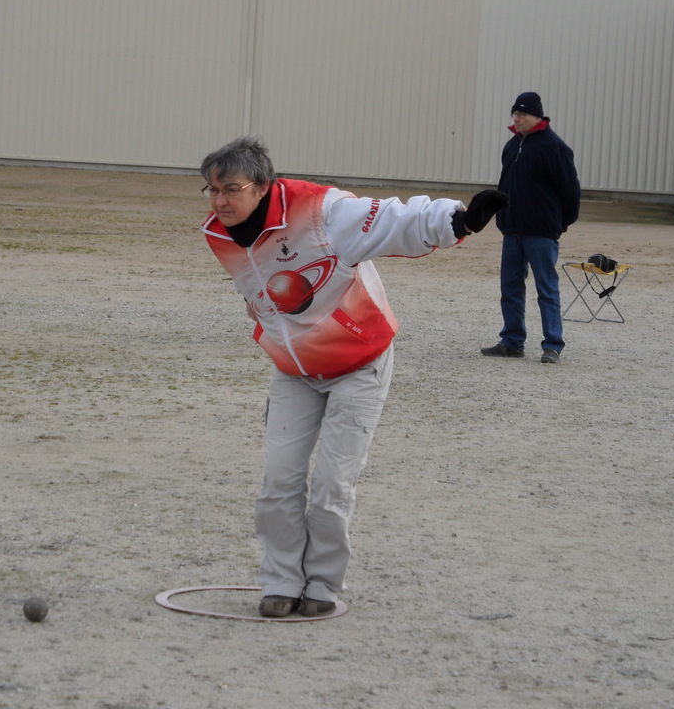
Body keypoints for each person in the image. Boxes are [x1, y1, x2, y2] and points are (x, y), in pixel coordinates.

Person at [199, 136, 507, 617]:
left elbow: (389, 217)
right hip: (294, 373)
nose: (219, 202)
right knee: (278, 481)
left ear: (262, 187)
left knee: (331, 484)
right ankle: (280, 582)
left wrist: (457, 219)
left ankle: (322, 585)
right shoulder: (218, 234)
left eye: (230, 189)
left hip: (359, 365)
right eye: (211, 190)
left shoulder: (321, 211)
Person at [481, 91, 581, 364]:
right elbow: (504, 185)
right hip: (512, 230)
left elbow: (570, 191)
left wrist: (561, 223)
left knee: (546, 288)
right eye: (515, 113)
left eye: (523, 113)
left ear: (538, 116)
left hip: (542, 232)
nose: (518, 118)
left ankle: (553, 345)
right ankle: (512, 341)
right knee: (510, 288)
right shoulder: (512, 145)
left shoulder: (554, 147)